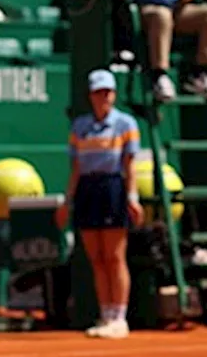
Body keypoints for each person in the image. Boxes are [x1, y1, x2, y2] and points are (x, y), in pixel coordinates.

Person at [56, 70, 144, 340]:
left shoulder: (126, 124)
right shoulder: (79, 126)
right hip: (87, 191)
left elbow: (130, 167)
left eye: (107, 92)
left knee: (114, 256)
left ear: (114, 94)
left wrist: (132, 198)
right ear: (90, 96)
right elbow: (75, 169)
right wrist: (67, 202)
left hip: (113, 189)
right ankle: (106, 315)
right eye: (98, 92)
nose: (103, 97)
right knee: (97, 258)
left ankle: (120, 317)